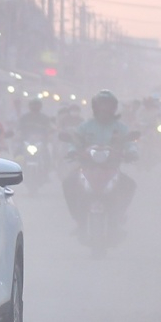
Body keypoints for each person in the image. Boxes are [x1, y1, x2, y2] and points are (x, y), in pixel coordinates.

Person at [61, 89, 137, 231]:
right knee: (68, 183)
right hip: (87, 167)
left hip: (112, 168)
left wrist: (132, 152)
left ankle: (119, 214)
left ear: (113, 108)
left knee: (130, 184)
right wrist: (72, 151)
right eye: (101, 105)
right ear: (95, 107)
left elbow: (130, 143)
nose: (104, 109)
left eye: (107, 106)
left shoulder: (120, 128)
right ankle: (78, 218)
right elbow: (75, 140)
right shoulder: (85, 126)